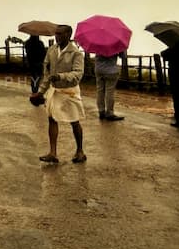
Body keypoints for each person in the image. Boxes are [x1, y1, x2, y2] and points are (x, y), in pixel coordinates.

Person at [30, 24, 86, 164]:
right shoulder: (52, 50)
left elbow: (78, 75)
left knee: (74, 121)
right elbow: (47, 73)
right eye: (56, 34)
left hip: (70, 91)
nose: (57, 36)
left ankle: (80, 151)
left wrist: (61, 76)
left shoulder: (76, 53)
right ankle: (52, 153)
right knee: (52, 118)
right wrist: (40, 92)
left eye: (60, 34)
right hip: (55, 91)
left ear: (68, 35)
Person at [95, 53, 124, 121]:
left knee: (100, 91)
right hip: (111, 70)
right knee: (110, 92)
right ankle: (109, 113)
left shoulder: (98, 42)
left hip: (99, 69)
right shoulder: (116, 43)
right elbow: (123, 56)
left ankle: (101, 111)